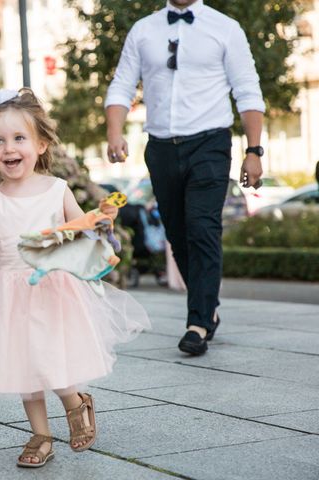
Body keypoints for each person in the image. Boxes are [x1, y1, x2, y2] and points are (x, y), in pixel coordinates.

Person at [0, 88, 150, 468]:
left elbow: (80, 231)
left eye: (19, 138)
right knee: (24, 365)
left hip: (53, 288)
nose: (9, 148)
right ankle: (40, 434)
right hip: (9, 292)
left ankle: (75, 400)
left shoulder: (57, 189)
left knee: (51, 357)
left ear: (41, 144)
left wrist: (100, 220)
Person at [105, 0, 265, 355]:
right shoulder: (144, 30)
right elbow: (121, 86)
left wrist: (254, 151)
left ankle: (197, 324)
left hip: (210, 142)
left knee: (202, 226)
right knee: (177, 234)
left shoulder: (226, 28)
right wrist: (114, 132)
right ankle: (208, 307)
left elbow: (248, 91)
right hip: (161, 146)